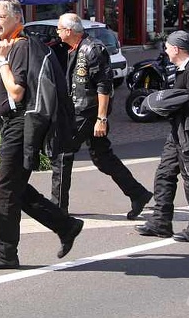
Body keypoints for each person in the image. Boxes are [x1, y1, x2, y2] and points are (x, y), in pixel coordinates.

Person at [0, 0, 83, 270]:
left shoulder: (19, 46)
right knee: (16, 188)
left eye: (0, 16)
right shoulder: (13, 45)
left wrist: (1, 61)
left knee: (4, 190)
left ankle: (6, 252)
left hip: (20, 124)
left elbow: (17, 91)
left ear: (17, 18)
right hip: (15, 124)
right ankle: (66, 225)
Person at [51, 13, 152, 218]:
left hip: (88, 112)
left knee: (62, 152)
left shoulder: (93, 50)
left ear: (69, 31)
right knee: (103, 158)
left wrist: (101, 119)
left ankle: (58, 208)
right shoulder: (71, 48)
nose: (57, 32)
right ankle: (138, 193)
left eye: (59, 29)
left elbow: (104, 86)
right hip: (78, 110)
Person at [135, 30, 189, 243]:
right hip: (178, 130)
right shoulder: (183, 68)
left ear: (176, 49)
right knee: (164, 173)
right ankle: (161, 222)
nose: (165, 50)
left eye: (168, 47)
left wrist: (169, 102)